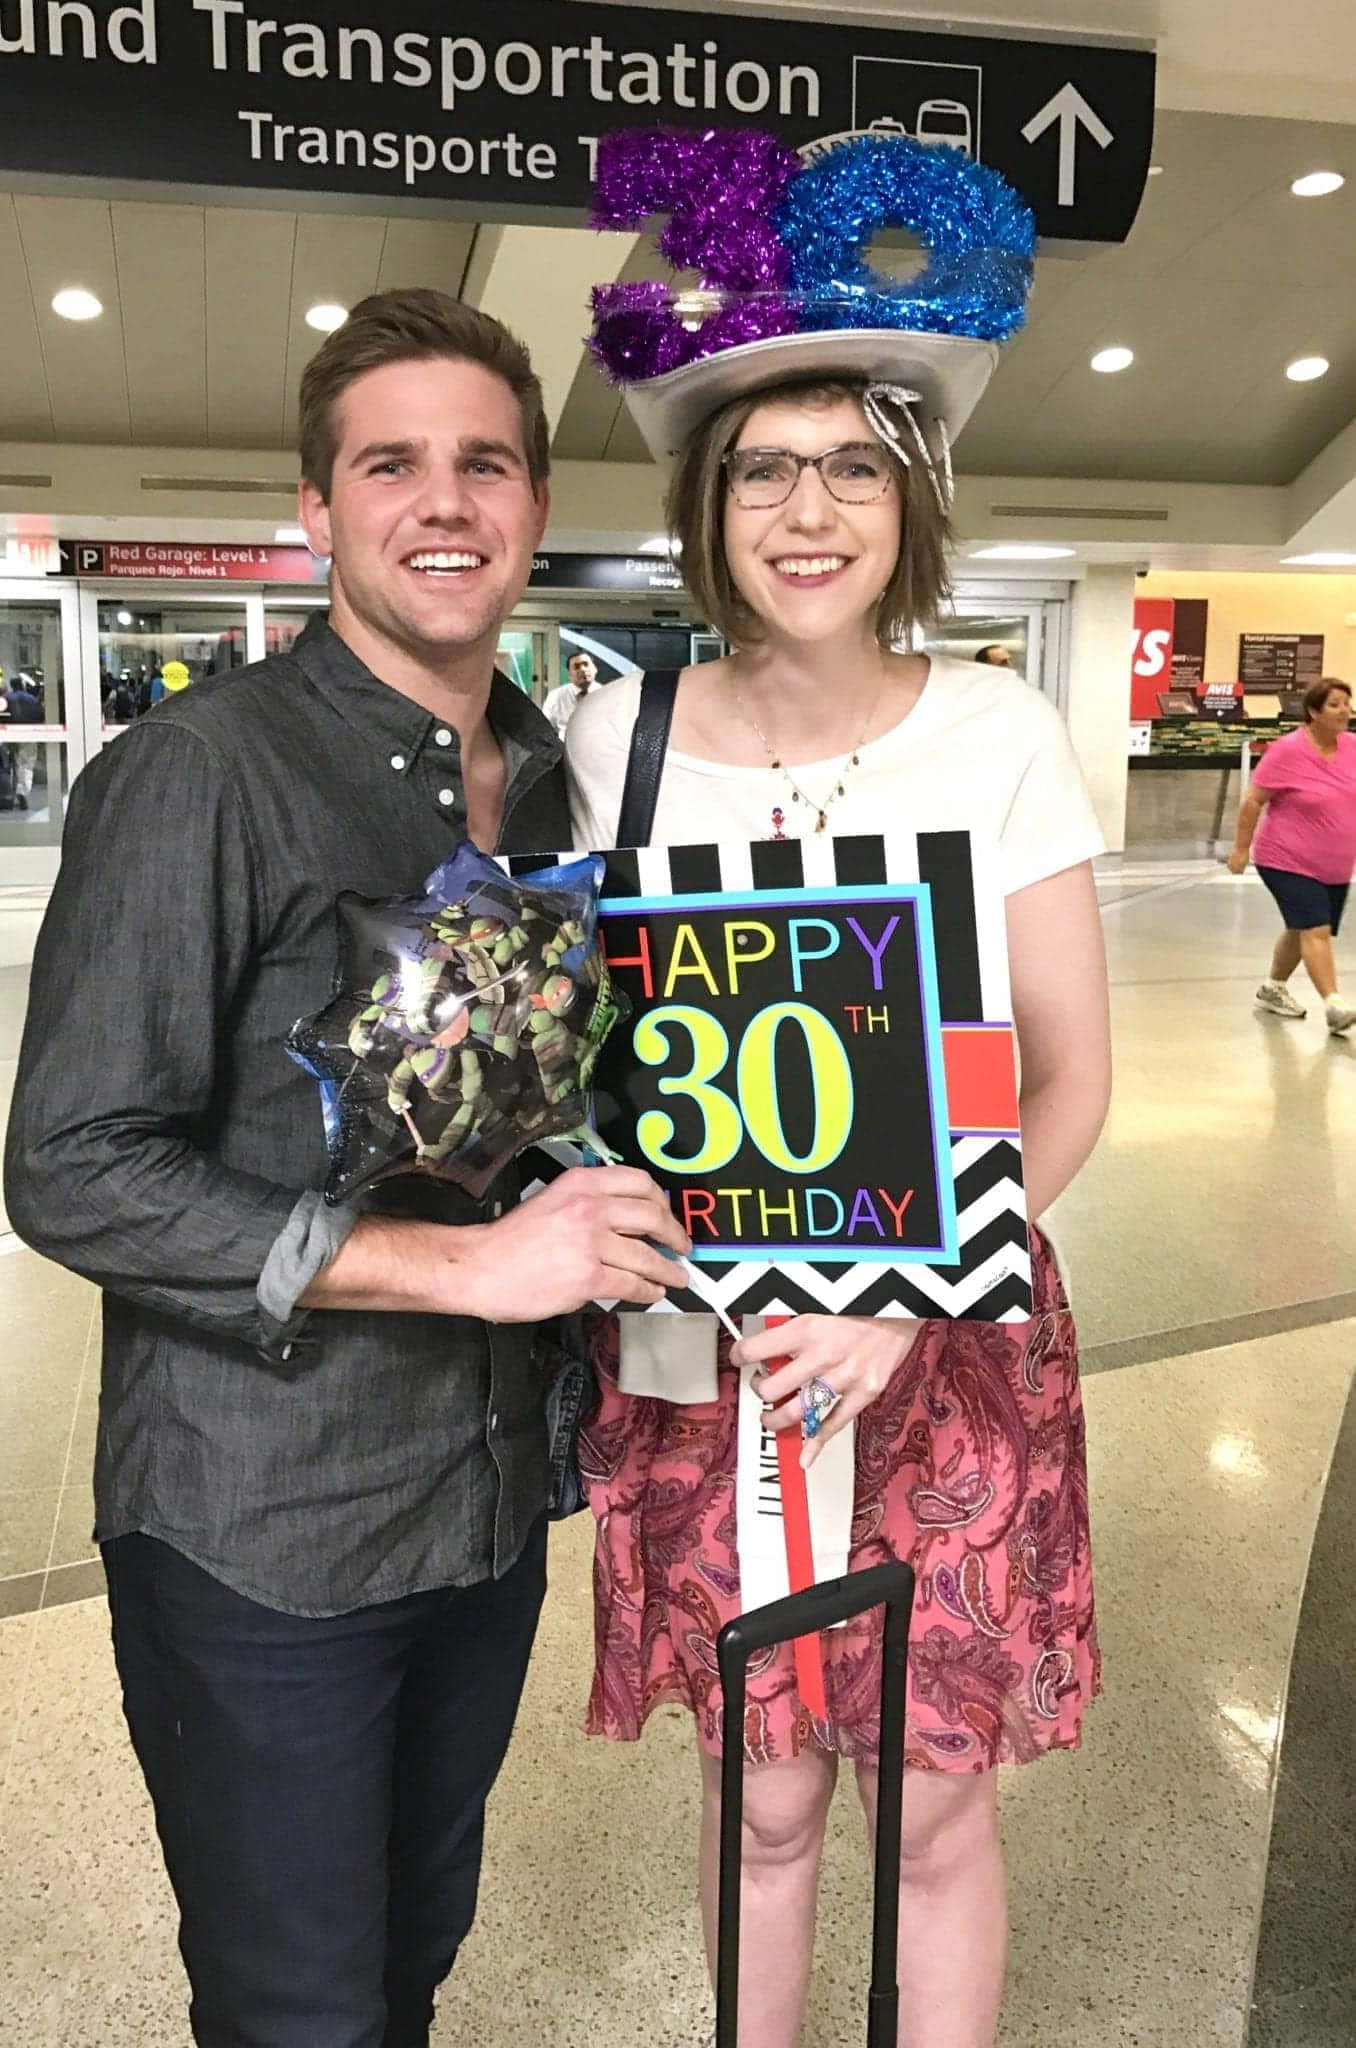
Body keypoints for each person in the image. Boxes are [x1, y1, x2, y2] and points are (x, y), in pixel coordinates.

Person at [4, 287, 685, 2048]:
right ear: (315, 510)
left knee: (406, 1957)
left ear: (536, 503)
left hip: (477, 1510)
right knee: (296, 2002)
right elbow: (74, 1166)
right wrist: (465, 1266)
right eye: (390, 463)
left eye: (484, 463)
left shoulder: (541, 780)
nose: (441, 502)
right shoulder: (197, 776)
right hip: (262, 1527)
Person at [564, 131, 1110, 2048]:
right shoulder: (612, 734)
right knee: (761, 1792)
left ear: (907, 498)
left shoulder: (995, 728)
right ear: (708, 504)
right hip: (705, 1354)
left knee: (934, 1794)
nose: (806, 508)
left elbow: (1066, 1078)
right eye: (763, 468)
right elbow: (588, 1046)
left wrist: (903, 1286)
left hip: (937, 1342)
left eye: (849, 466)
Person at [1228, 676, 1356, 1035]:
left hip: (1334, 865)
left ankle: (1273, 988)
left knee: (1300, 927)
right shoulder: (1287, 751)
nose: (1344, 710)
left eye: (1347, 703)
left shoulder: (1353, 748)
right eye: (1334, 704)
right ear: (1314, 712)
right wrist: (1240, 850)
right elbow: (1253, 800)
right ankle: (1334, 1003)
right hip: (1285, 859)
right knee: (1316, 928)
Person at [542, 648, 601, 735]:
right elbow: (544, 729)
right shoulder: (556, 696)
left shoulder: (608, 694)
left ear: (595, 669)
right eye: (576, 667)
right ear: (569, 674)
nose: (583, 669)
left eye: (586, 664)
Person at [6, 670, 44, 804]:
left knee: (13, 761)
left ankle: (10, 787)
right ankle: (22, 790)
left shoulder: (6, 698)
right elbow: (40, 715)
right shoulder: (31, 699)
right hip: (29, 733)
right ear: (22, 685)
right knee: (27, 763)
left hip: (9, 734)